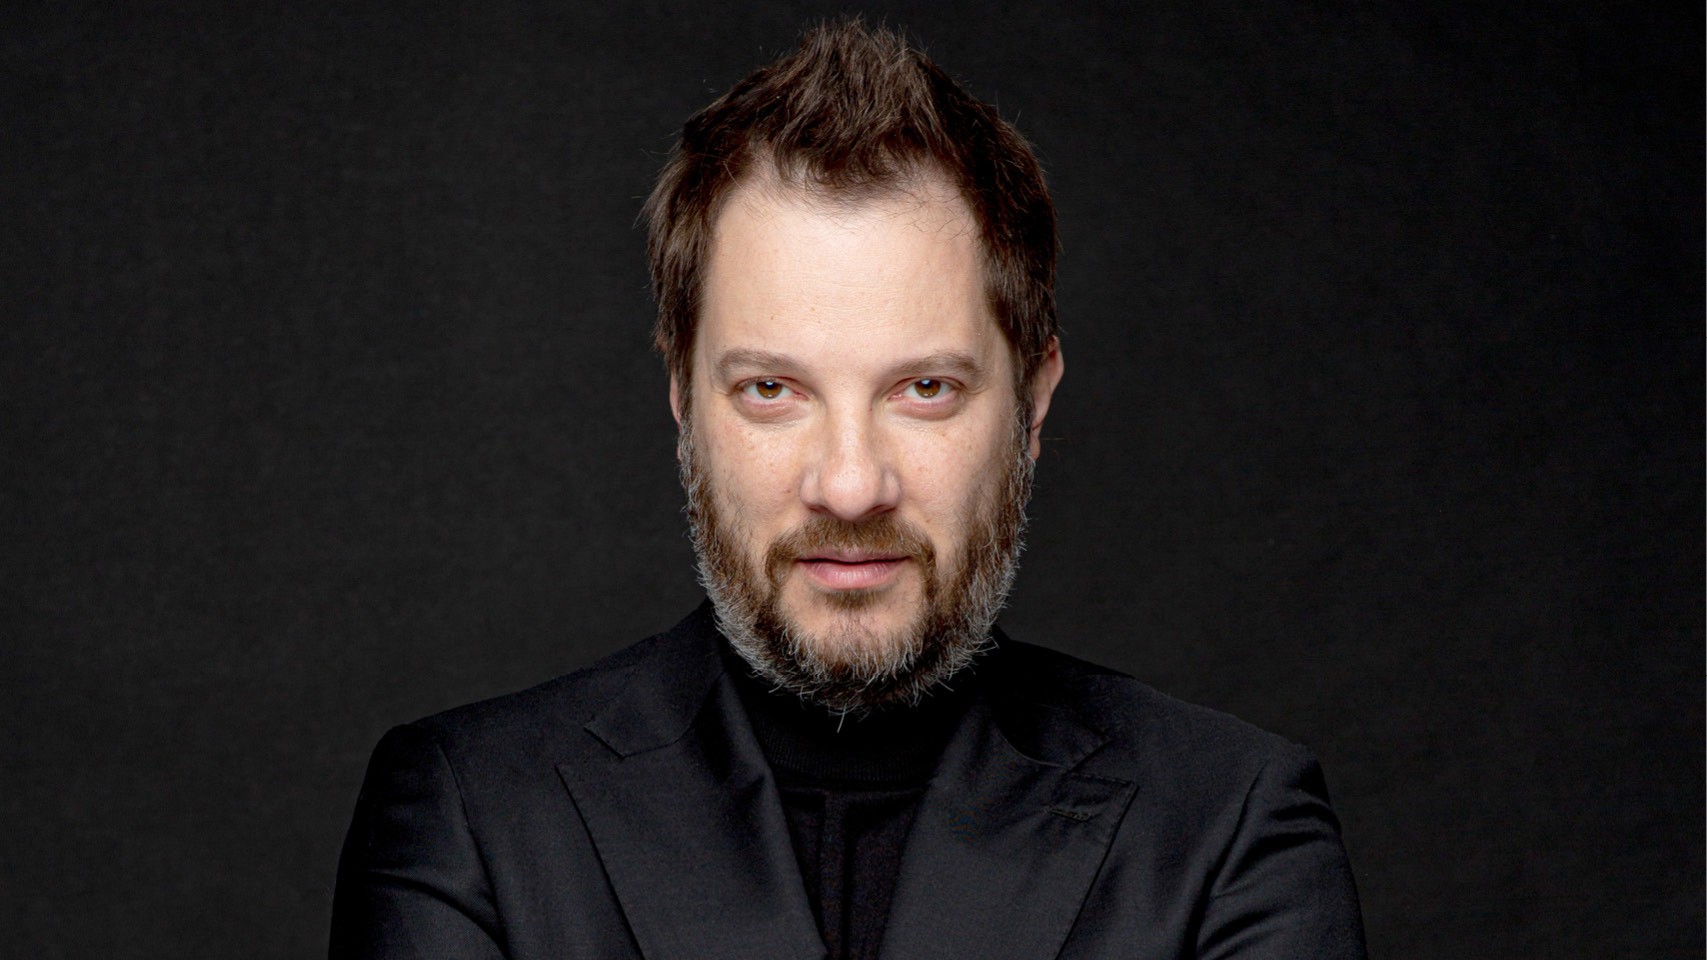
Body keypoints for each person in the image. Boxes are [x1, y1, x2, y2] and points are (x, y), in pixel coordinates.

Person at [330, 20, 1367, 960]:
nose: (850, 485)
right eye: (771, 390)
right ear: (683, 398)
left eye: (925, 389)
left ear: (1033, 401)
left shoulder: (1229, 829)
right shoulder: (473, 816)